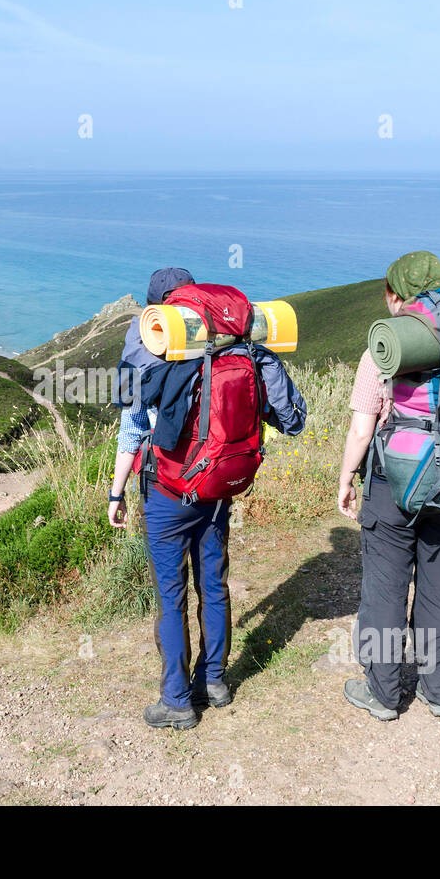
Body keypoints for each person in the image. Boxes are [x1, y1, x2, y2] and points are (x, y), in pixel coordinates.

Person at [110, 267, 307, 730]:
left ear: (158, 307)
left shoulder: (159, 339)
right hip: (220, 486)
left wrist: (116, 493)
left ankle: (176, 701)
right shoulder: (246, 343)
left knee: (171, 594)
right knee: (213, 584)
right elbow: (293, 420)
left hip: (169, 490)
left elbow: (131, 415)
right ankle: (214, 681)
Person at [336, 251, 440, 721]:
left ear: (396, 297)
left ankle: (385, 694)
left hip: (392, 481)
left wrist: (345, 479)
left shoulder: (384, 348)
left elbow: (362, 428)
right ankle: (439, 693)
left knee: (385, 588)